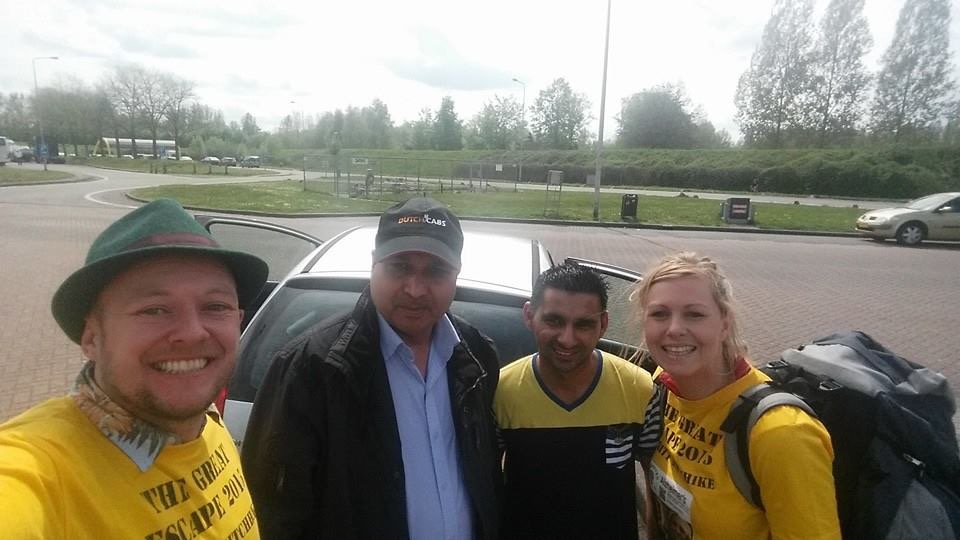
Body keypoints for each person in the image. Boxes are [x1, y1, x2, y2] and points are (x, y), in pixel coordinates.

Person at [0, 198, 269, 539]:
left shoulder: (207, 423)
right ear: (91, 338)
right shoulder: (42, 473)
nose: (192, 333)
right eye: (154, 310)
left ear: (238, 320)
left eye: (215, 306)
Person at [241, 197, 502, 540]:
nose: (415, 289)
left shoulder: (476, 355)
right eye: (399, 267)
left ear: (456, 274)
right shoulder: (311, 369)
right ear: (373, 263)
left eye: (435, 271)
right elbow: (274, 513)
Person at [630, 252, 840, 539]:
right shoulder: (662, 387)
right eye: (659, 314)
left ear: (724, 324)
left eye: (694, 314)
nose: (675, 329)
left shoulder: (782, 434)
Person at [494, 262, 655, 539]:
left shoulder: (639, 388)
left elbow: (656, 487)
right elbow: (485, 487)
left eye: (583, 324)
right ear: (529, 316)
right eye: (554, 321)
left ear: (603, 324)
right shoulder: (499, 392)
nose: (567, 339)